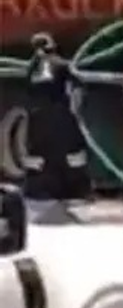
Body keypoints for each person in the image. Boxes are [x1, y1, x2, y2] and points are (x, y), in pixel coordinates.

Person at [23, 32, 91, 201]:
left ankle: (37, 189)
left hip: (38, 116)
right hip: (60, 114)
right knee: (72, 151)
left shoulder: (32, 68)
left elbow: (28, 89)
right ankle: (76, 189)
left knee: (39, 153)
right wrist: (76, 107)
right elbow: (79, 85)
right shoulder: (61, 64)